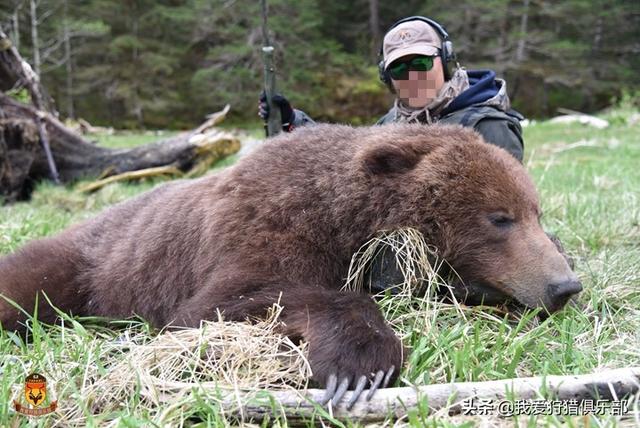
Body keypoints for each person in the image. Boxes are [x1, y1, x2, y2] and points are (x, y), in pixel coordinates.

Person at [259, 16, 525, 162]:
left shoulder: (488, 126)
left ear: (445, 62)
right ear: (387, 77)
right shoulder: (392, 123)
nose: (411, 76)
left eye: (420, 63)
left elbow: (503, 216)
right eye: (399, 69)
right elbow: (345, 161)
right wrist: (293, 123)